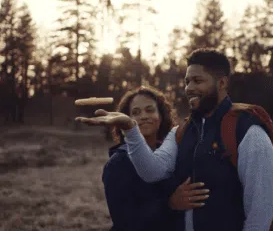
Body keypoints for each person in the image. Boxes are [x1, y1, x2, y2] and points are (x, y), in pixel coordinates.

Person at [77, 48, 273, 231]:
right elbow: (152, 171)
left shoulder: (248, 132)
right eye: (187, 81)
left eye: (198, 81)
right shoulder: (182, 131)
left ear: (222, 83)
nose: (189, 88)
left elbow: (260, 215)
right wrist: (130, 129)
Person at [76, 86, 209, 231]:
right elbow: (124, 223)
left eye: (150, 110)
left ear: (161, 116)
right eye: (136, 113)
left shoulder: (173, 153)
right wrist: (170, 205)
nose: (144, 116)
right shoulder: (118, 163)